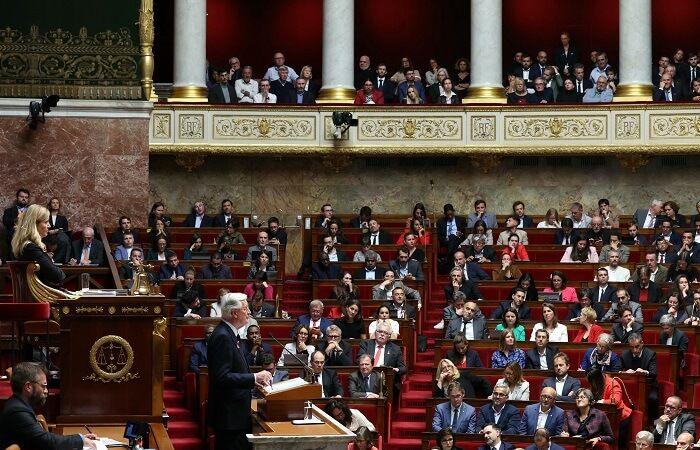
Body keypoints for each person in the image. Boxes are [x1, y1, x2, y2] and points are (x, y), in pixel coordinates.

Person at [207, 294, 272, 450]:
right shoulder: (222, 336)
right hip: (229, 417)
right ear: (234, 313)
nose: (249, 312)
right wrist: (253, 377)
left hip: (235, 416)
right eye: (245, 308)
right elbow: (222, 377)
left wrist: (254, 379)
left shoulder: (230, 334)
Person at [0, 362, 98, 450]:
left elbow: (42, 438)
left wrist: (81, 438)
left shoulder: (18, 404)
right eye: (44, 386)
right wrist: (79, 440)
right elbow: (47, 442)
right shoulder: (18, 412)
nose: (46, 391)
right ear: (28, 387)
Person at [11, 204, 65, 287]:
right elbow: (57, 276)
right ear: (34, 224)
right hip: (39, 298)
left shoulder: (26, 245)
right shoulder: (30, 248)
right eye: (46, 222)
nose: (49, 225)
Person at [587, 368, 633, 446]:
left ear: (598, 379)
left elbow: (616, 401)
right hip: (603, 417)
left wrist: (602, 402)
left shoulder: (613, 383)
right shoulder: (594, 382)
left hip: (619, 418)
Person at [359, 322, 406, 392]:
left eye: (385, 333)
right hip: (366, 376)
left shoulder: (395, 349)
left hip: (386, 380)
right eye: (380, 331)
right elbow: (359, 359)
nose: (382, 334)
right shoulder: (366, 344)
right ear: (375, 332)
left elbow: (403, 368)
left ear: (389, 336)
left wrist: (396, 369)